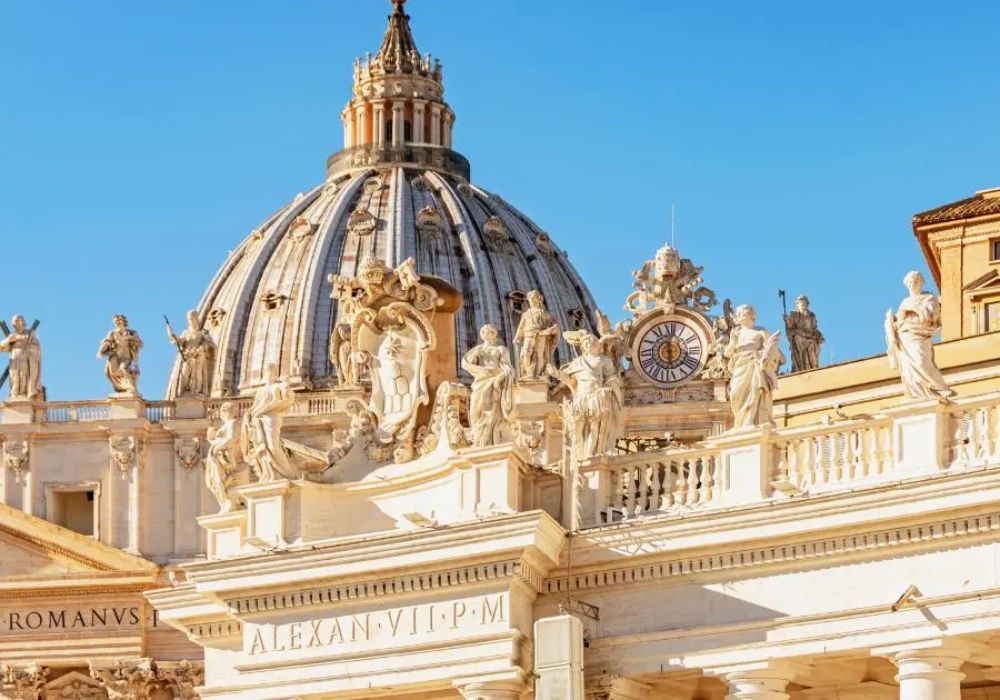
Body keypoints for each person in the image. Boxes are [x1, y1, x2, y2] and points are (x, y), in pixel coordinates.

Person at [548, 331, 623, 460]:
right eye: (586, 343)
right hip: (580, 398)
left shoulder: (603, 360)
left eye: (591, 342)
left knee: (594, 428)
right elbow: (572, 382)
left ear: (597, 345)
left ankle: (589, 455)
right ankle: (579, 456)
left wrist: (609, 388)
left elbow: (612, 378)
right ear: (582, 347)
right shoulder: (578, 363)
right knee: (577, 431)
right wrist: (556, 374)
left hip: (596, 398)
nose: (588, 345)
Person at [885, 271, 953, 399]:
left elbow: (930, 317)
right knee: (908, 366)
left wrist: (913, 308)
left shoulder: (929, 298)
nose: (912, 284)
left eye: (915, 281)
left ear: (921, 282)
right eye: (910, 282)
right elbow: (899, 321)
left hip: (921, 334)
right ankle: (917, 392)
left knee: (921, 361)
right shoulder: (905, 301)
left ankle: (939, 389)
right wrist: (892, 323)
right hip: (905, 335)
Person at [724, 305, 784, 428]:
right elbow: (727, 353)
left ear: (751, 315)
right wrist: (733, 342)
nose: (742, 317)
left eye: (745, 314)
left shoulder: (761, 331)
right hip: (740, 365)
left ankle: (750, 420)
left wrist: (769, 358)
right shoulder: (736, 333)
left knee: (755, 389)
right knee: (734, 393)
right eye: (740, 314)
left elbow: (774, 350)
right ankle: (740, 419)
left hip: (755, 363)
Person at [241, 364, 296, 482]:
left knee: (272, 445)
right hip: (259, 419)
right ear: (264, 373)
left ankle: (288, 474)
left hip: (272, 417)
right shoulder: (261, 390)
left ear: (276, 373)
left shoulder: (279, 386)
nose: (269, 372)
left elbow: (288, 397)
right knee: (263, 447)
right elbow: (255, 406)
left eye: (272, 370)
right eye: (267, 370)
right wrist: (248, 415)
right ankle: (269, 473)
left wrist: (286, 385)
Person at [462, 324, 515, 447]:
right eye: (483, 331)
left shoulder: (501, 349)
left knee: (490, 410)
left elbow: (507, 368)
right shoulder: (477, 350)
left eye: (488, 331)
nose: (484, 333)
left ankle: (488, 438)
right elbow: (468, 364)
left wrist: (502, 377)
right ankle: (477, 435)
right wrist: (475, 356)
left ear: (493, 334)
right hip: (480, 381)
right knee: (475, 409)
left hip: (495, 380)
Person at [206, 402, 244, 512]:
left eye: (223, 411)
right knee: (212, 481)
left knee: (218, 480)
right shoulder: (227, 425)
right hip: (219, 455)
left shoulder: (233, 423)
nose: (221, 414)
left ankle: (226, 501)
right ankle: (224, 501)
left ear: (228, 411)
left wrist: (217, 447)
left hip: (226, 456)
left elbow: (231, 439)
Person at [168, 310, 216, 397]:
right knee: (185, 374)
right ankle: (186, 391)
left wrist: (202, 348)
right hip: (187, 356)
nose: (190, 321)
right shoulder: (186, 332)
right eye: (189, 319)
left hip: (198, 356)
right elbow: (179, 342)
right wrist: (172, 336)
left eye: (192, 319)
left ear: (196, 319)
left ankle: (197, 391)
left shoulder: (203, 332)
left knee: (197, 373)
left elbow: (210, 343)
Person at [514, 290, 559, 380]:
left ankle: (537, 374)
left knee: (539, 354)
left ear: (539, 299)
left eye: (534, 298)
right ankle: (528, 371)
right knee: (525, 353)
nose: (532, 300)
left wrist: (552, 330)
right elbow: (520, 327)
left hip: (541, 335)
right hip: (528, 335)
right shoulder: (525, 314)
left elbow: (552, 323)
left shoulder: (543, 312)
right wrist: (517, 337)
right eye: (530, 299)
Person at [97, 315, 143, 395]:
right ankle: (122, 388)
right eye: (115, 321)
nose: (117, 322)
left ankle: (131, 388)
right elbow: (107, 342)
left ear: (124, 321)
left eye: (119, 320)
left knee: (123, 369)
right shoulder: (112, 333)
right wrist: (101, 351)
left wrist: (131, 338)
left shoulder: (132, 333)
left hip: (126, 357)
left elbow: (141, 344)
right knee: (112, 372)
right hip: (115, 355)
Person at [0, 315, 42, 400]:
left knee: (24, 377)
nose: (19, 323)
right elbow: (1, 347)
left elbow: (36, 346)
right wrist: (8, 341)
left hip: (25, 360)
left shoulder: (29, 334)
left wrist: (29, 349)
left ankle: (23, 394)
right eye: (16, 322)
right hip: (14, 359)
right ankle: (14, 395)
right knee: (14, 377)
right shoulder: (12, 335)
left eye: (20, 320)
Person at [785, 295, 824, 372]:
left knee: (811, 345)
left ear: (807, 304)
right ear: (797, 304)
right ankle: (801, 366)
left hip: (810, 337)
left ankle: (813, 368)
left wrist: (817, 335)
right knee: (797, 338)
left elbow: (814, 328)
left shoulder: (812, 315)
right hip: (798, 336)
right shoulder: (794, 314)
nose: (803, 304)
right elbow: (791, 327)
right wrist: (787, 320)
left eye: (804, 303)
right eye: (801, 303)